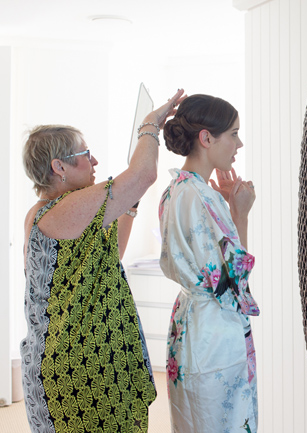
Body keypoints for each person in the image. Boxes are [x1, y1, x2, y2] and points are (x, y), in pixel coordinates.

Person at [20, 89, 186, 432]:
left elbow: (113, 253)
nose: (94, 161)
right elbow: (143, 174)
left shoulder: (64, 212)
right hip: (78, 371)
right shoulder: (59, 211)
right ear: (59, 167)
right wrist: (150, 125)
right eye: (85, 154)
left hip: (93, 360)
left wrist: (130, 201)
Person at [158, 94, 258, 433]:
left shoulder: (175, 189)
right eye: (233, 134)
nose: (239, 144)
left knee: (193, 419)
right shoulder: (203, 197)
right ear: (206, 138)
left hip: (191, 324)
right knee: (219, 422)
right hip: (213, 332)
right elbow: (233, 283)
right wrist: (239, 215)